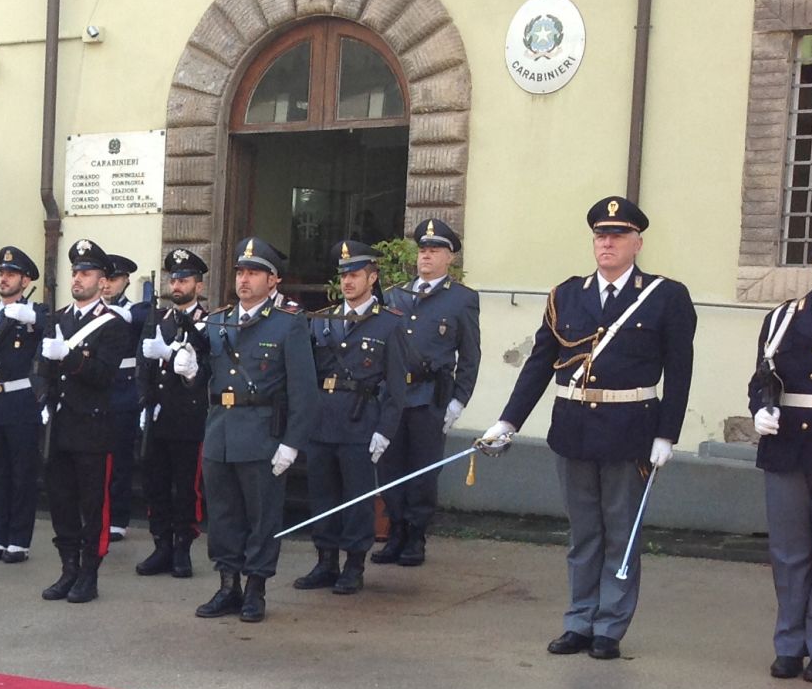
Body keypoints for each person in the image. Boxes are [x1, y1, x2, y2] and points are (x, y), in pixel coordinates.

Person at [478, 197, 696, 660]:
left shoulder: (664, 295)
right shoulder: (567, 295)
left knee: (621, 532)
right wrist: (507, 421)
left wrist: (667, 434)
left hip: (630, 431)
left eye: (617, 236)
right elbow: (539, 365)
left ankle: (609, 627)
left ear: (637, 242)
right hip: (573, 429)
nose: (607, 243)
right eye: (600, 235)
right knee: (583, 534)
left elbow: (680, 370)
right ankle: (579, 620)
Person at [194, 237, 319, 624]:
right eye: (240, 272)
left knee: (262, 517)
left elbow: (304, 391)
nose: (244, 280)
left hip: (263, 433)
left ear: (273, 280)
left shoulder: (288, 324)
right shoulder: (219, 321)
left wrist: (292, 444)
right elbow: (209, 379)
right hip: (220, 432)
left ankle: (255, 589)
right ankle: (227, 585)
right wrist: (187, 371)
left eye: (254, 273)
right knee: (223, 514)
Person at [294, 240, 407, 595]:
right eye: (343, 275)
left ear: (372, 278)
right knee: (323, 493)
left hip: (361, 420)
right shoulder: (323, 320)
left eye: (355, 274)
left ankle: (354, 564)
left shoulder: (388, 324)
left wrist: (385, 430)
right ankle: (325, 561)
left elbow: (396, 383)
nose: (347, 281)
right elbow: (307, 374)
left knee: (357, 497)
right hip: (323, 419)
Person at [377, 218, 481, 567]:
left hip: (430, 396)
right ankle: (394, 532)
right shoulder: (396, 295)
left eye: (434, 251)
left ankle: (415, 536)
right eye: (422, 250)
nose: (426, 257)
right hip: (394, 398)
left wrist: (459, 399)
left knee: (422, 470)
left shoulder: (461, 299)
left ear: (449, 257)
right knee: (390, 468)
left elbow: (469, 354)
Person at [38, 240, 136, 603]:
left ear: (103, 280)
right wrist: (42, 399)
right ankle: (68, 569)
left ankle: (89, 574)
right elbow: (43, 371)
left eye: (87, 273)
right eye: (76, 272)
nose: (78, 278)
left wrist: (69, 356)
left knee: (92, 505)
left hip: (93, 427)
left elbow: (103, 375)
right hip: (59, 426)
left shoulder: (113, 324)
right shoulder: (59, 317)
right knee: (61, 502)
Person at [751, 244, 812, 681]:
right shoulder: (782, 317)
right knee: (789, 552)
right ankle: (789, 644)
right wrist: (760, 406)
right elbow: (762, 377)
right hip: (788, 444)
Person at [135, 247, 214, 580]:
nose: (177, 284)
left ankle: (183, 547)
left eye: (184, 279)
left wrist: (170, 355)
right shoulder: (160, 318)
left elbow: (206, 368)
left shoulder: (208, 321)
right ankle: (161, 544)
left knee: (186, 488)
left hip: (188, 416)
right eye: (174, 278)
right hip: (157, 415)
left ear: (198, 285)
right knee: (156, 484)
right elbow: (143, 364)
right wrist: (144, 401)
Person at [0, 245, 43, 564]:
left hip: (20, 401)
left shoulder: (33, 314)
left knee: (22, 473)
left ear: (25, 281)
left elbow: (49, 336)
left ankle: (19, 540)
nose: (4, 279)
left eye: (11, 275)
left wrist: (32, 319)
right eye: (2, 274)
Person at [101, 251, 148, 541]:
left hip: (122, 389)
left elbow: (141, 317)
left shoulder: (135, 310)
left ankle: (118, 517)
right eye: (104, 278)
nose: (107, 285)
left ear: (126, 281)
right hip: (95, 390)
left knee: (120, 460)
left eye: (114, 279)